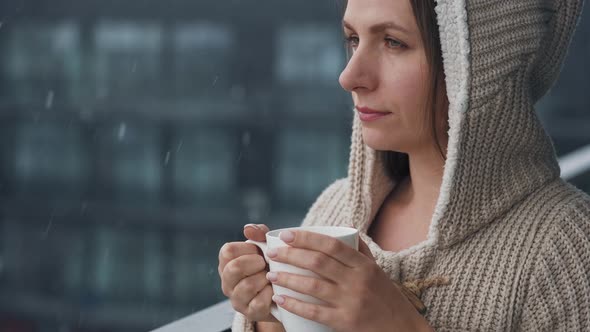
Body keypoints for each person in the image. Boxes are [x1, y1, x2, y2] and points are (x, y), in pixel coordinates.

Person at [219, 0, 590, 330]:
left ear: (477, 68)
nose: (349, 77)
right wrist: (273, 317)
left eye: (393, 42)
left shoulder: (567, 246)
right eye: (353, 39)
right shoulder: (333, 208)